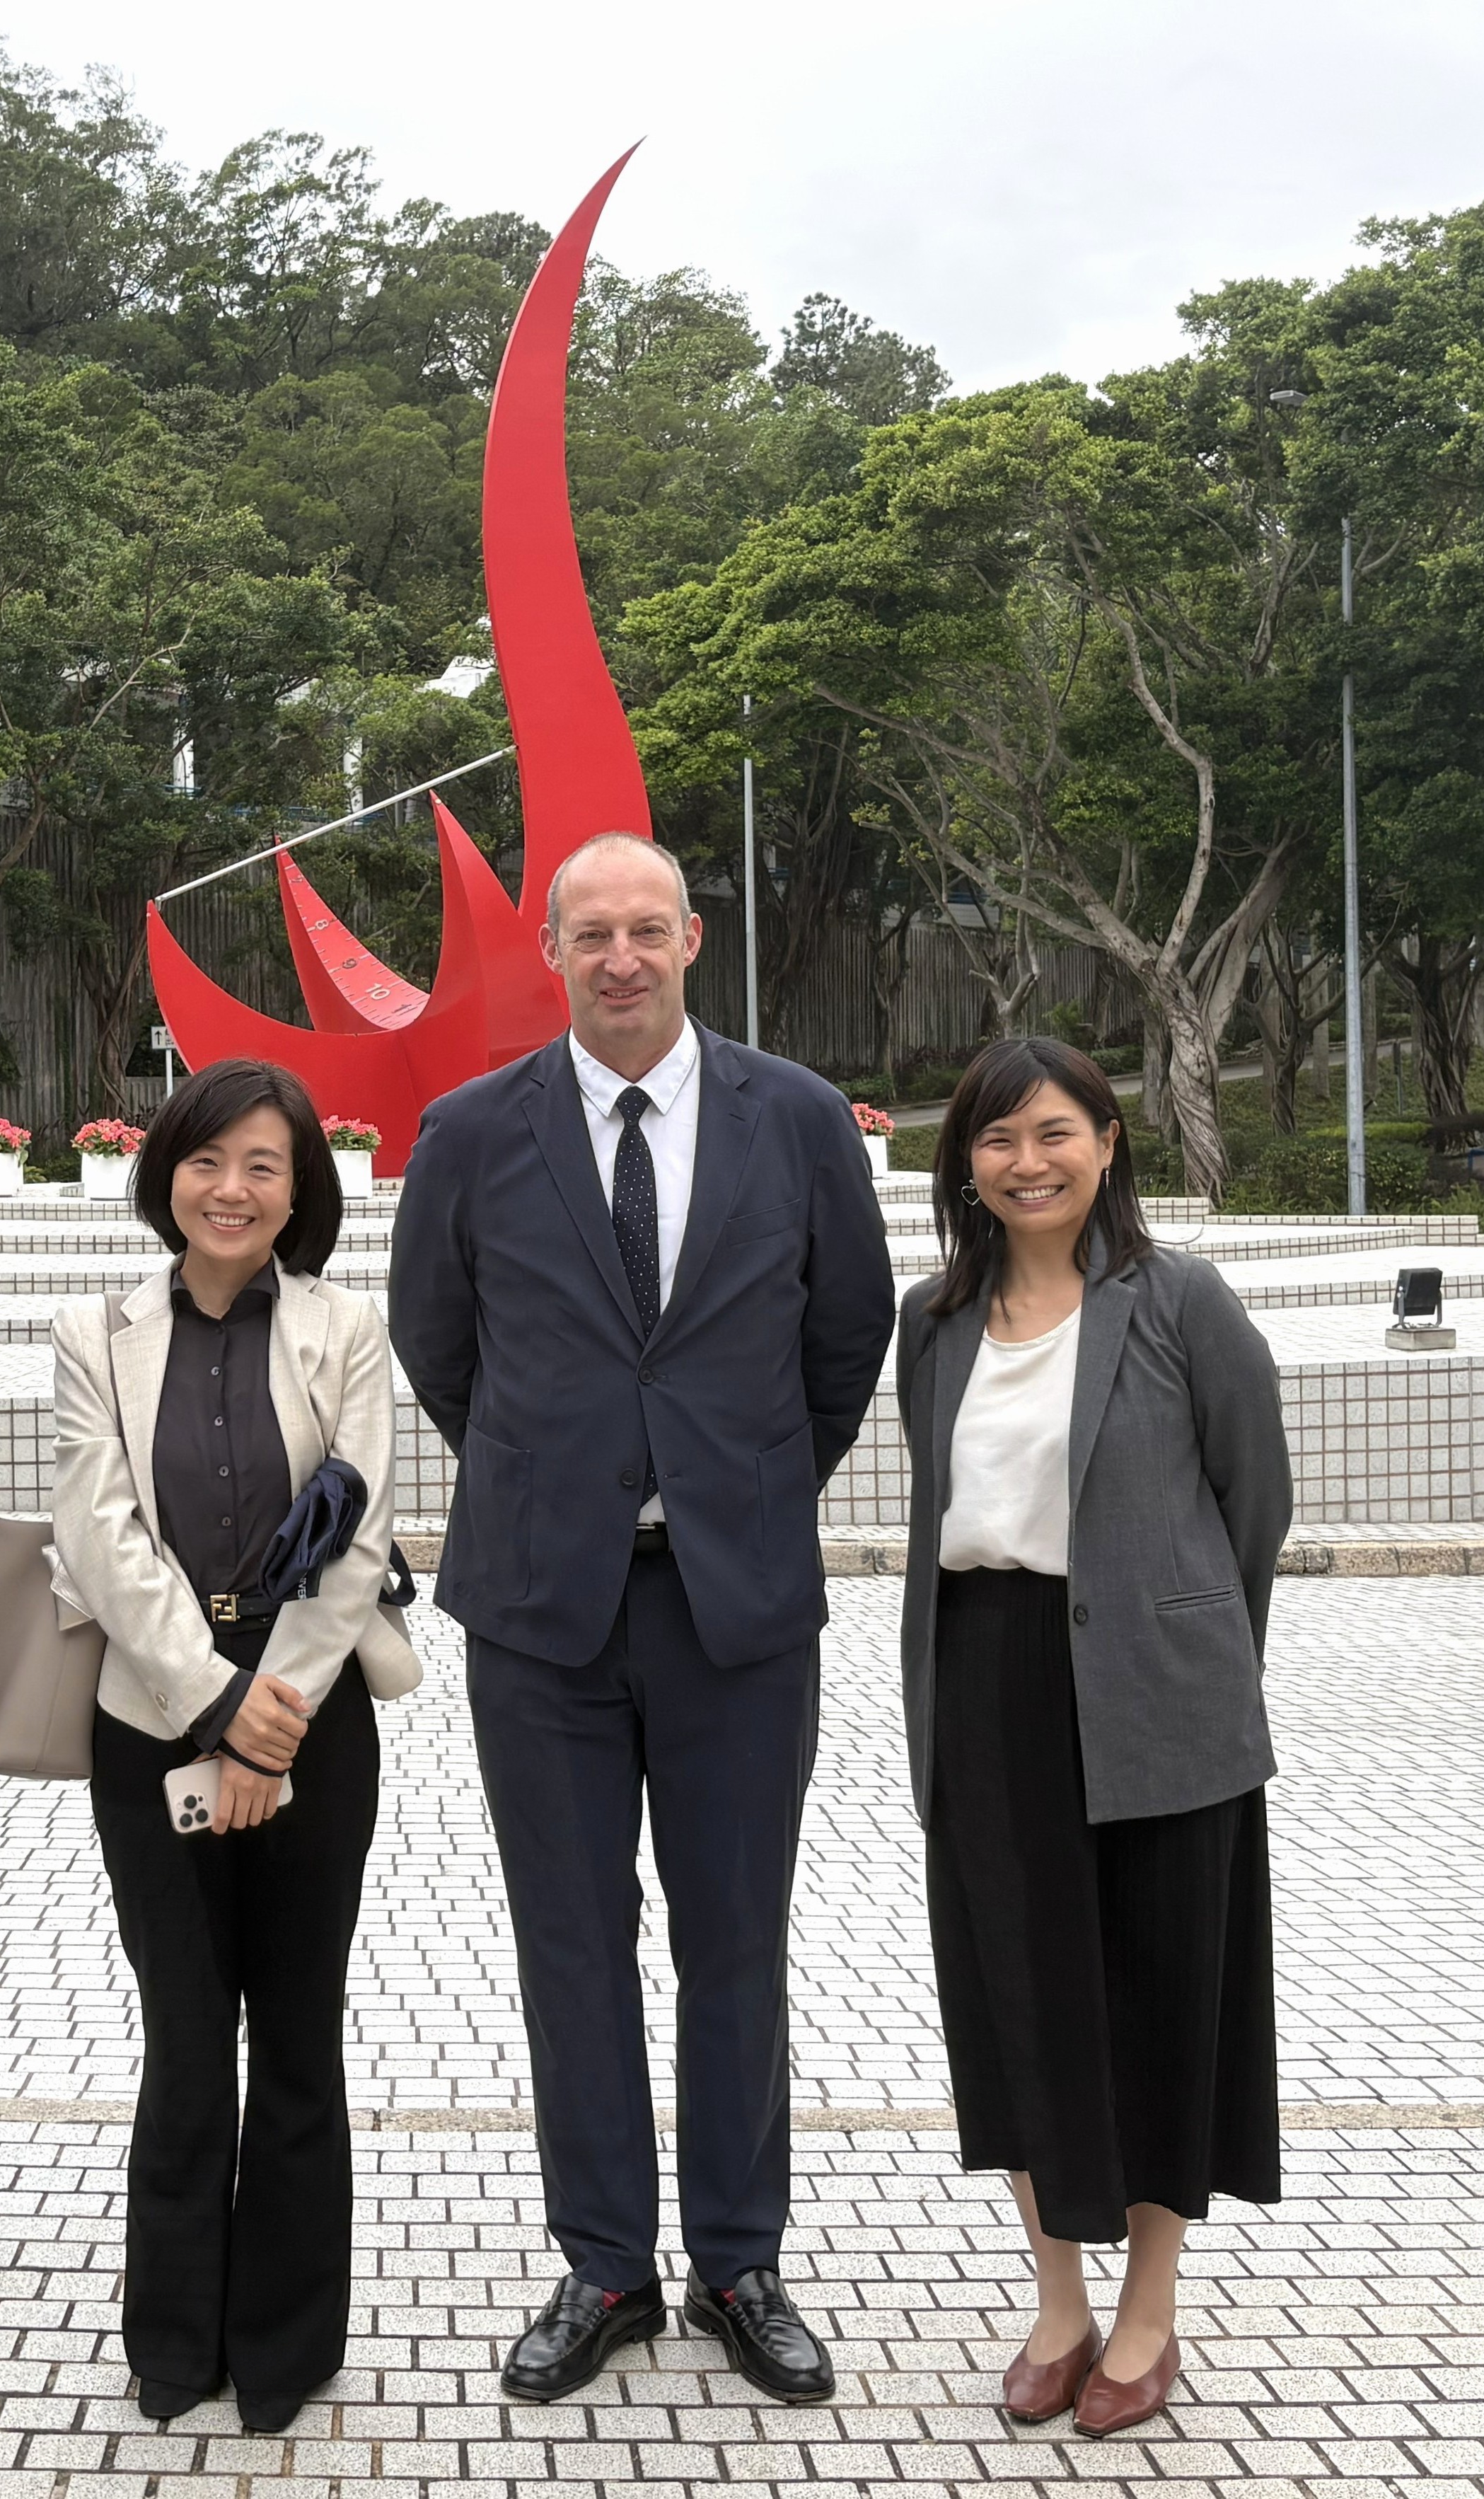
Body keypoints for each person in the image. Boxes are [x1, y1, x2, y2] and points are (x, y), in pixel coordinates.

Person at [390, 831, 896, 2406]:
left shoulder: (798, 1120)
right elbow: (437, 1340)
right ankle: (604, 2260)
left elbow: (845, 1334)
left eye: (646, 930)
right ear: (551, 951)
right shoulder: (473, 1130)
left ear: (693, 937)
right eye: (589, 933)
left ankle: (739, 2257)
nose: (619, 957)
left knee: (736, 1935)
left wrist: (723, 1483)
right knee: (571, 1938)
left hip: (734, 1605)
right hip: (544, 1609)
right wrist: (572, 1480)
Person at [894, 1036, 1290, 2439]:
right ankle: (1057, 2301)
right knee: (1019, 2000)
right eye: (995, 1140)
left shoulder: (1178, 1300)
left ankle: (1147, 2314)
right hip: (987, 1680)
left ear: (1108, 1142)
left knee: (1159, 1999)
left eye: (1053, 1131)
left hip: (1152, 1691)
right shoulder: (933, 1319)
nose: (1026, 1160)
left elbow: (1253, 1503)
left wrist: (1180, 1639)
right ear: (966, 1169)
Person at [48, 1058, 421, 2435]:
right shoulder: (97, 1328)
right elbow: (98, 1533)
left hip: (312, 1732)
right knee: (189, 2035)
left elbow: (362, 1533)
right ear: (168, 1175)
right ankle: (171, 2335)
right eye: (208, 1160)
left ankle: (283, 2344)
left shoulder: (346, 1331)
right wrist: (215, 1701)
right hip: (152, 1724)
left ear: (298, 1186)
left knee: (301, 2032)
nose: (231, 1188)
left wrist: (274, 1711)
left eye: (263, 1164)